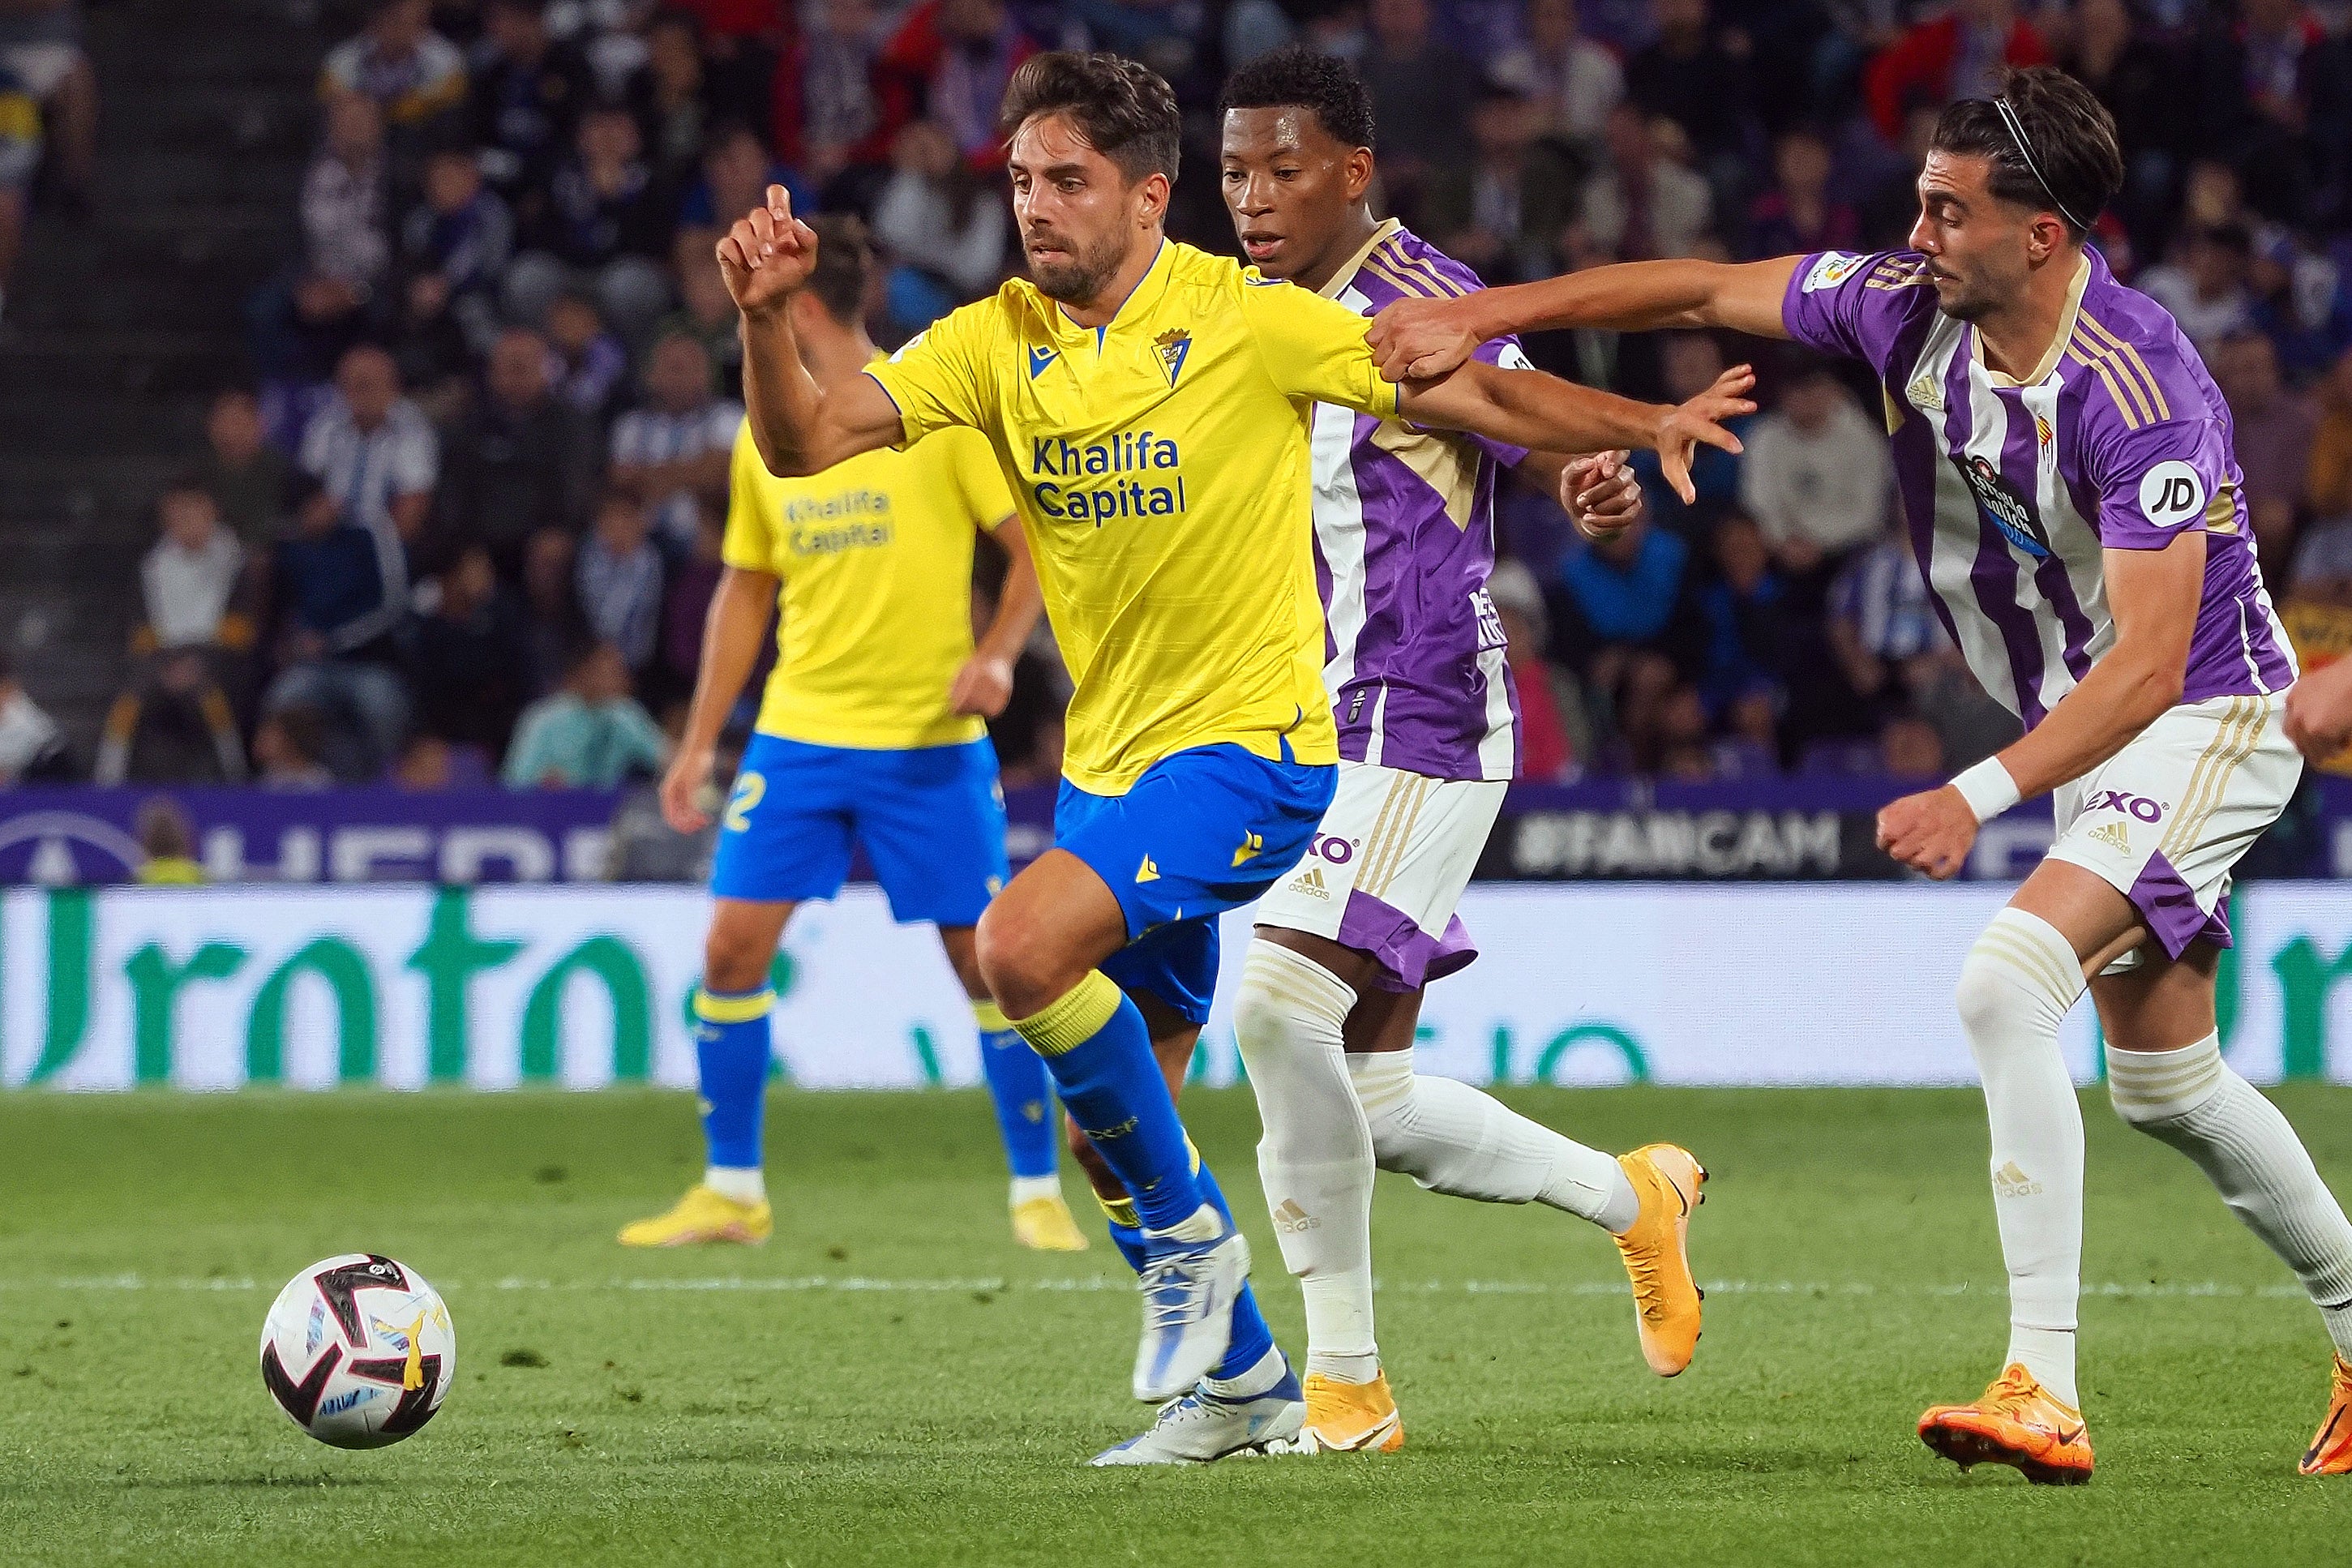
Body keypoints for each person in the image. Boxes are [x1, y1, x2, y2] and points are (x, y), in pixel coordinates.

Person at [712, 49, 1746, 1447]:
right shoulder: (989, 339)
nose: (1034, 207)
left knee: (1031, 953)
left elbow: (1479, 400)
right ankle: (1254, 1378)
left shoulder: (1255, 321)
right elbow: (807, 441)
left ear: (1147, 199)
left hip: (1273, 744)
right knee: (1137, 1118)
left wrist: (1636, 427)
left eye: (1066, 180)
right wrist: (765, 322)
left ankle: (1289, 1333)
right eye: (1019, 181)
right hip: (1115, 761)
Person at [1369, 65, 2352, 1484]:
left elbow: (2146, 664)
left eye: (1952, 212)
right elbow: (1703, 291)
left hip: (2200, 713)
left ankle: (2043, 1384)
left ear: (2045, 236)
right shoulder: (1901, 302)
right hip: (2091, 716)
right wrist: (1488, 313)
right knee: (2165, 1083)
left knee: (2005, 980)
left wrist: (1976, 792)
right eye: (1920, 203)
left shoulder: (2143, 390)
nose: (1920, 232)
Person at [1197, 46, 1708, 1463]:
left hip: (1416, 701)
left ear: (1352, 171)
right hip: (1304, 715)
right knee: (1370, 1096)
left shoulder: (1418, 299)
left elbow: (1516, 415)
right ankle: (1633, 1194)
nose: (1251, 196)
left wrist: (1609, 454)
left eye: (1281, 168)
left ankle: (1346, 1392)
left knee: (1274, 1008)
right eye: (1234, 169)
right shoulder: (1250, 308)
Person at [619, 212, 1085, 1257]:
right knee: (731, 949)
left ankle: (1035, 1188)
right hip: (798, 739)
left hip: (927, 742)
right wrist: (699, 741)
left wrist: (1003, 652)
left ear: (807, 303)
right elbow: (746, 591)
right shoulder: (761, 435)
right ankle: (731, 1190)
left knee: (991, 967)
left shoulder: (932, 419)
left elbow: (1033, 551)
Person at [501, 639, 666, 787]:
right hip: (552, 811)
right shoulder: (542, 719)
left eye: (619, 668)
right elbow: (515, 780)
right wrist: (543, 780)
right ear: (583, 672)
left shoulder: (625, 714)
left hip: (607, 812)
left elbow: (665, 758)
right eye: (608, 671)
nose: (619, 676)